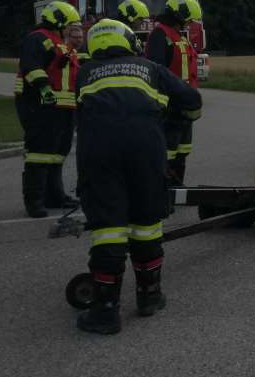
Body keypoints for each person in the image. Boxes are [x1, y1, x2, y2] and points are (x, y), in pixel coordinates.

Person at [74, 19, 202, 335]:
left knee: (109, 228)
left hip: (99, 153)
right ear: (130, 41)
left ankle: (105, 312)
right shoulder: (149, 68)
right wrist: (171, 116)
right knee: (146, 224)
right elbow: (193, 103)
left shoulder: (85, 73)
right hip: (146, 150)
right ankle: (149, 297)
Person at [13, 1, 81, 217]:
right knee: (39, 153)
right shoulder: (38, 38)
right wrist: (44, 90)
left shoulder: (59, 42)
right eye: (70, 25)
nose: (72, 29)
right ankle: (34, 201)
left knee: (57, 153)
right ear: (59, 21)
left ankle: (54, 196)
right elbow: (31, 67)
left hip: (63, 107)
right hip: (41, 105)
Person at [146, 0, 202, 185]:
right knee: (167, 149)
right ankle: (163, 189)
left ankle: (177, 187)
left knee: (182, 149)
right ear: (179, 15)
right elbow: (156, 70)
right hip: (170, 104)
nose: (189, 23)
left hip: (184, 103)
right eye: (188, 19)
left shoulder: (178, 36)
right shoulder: (160, 34)